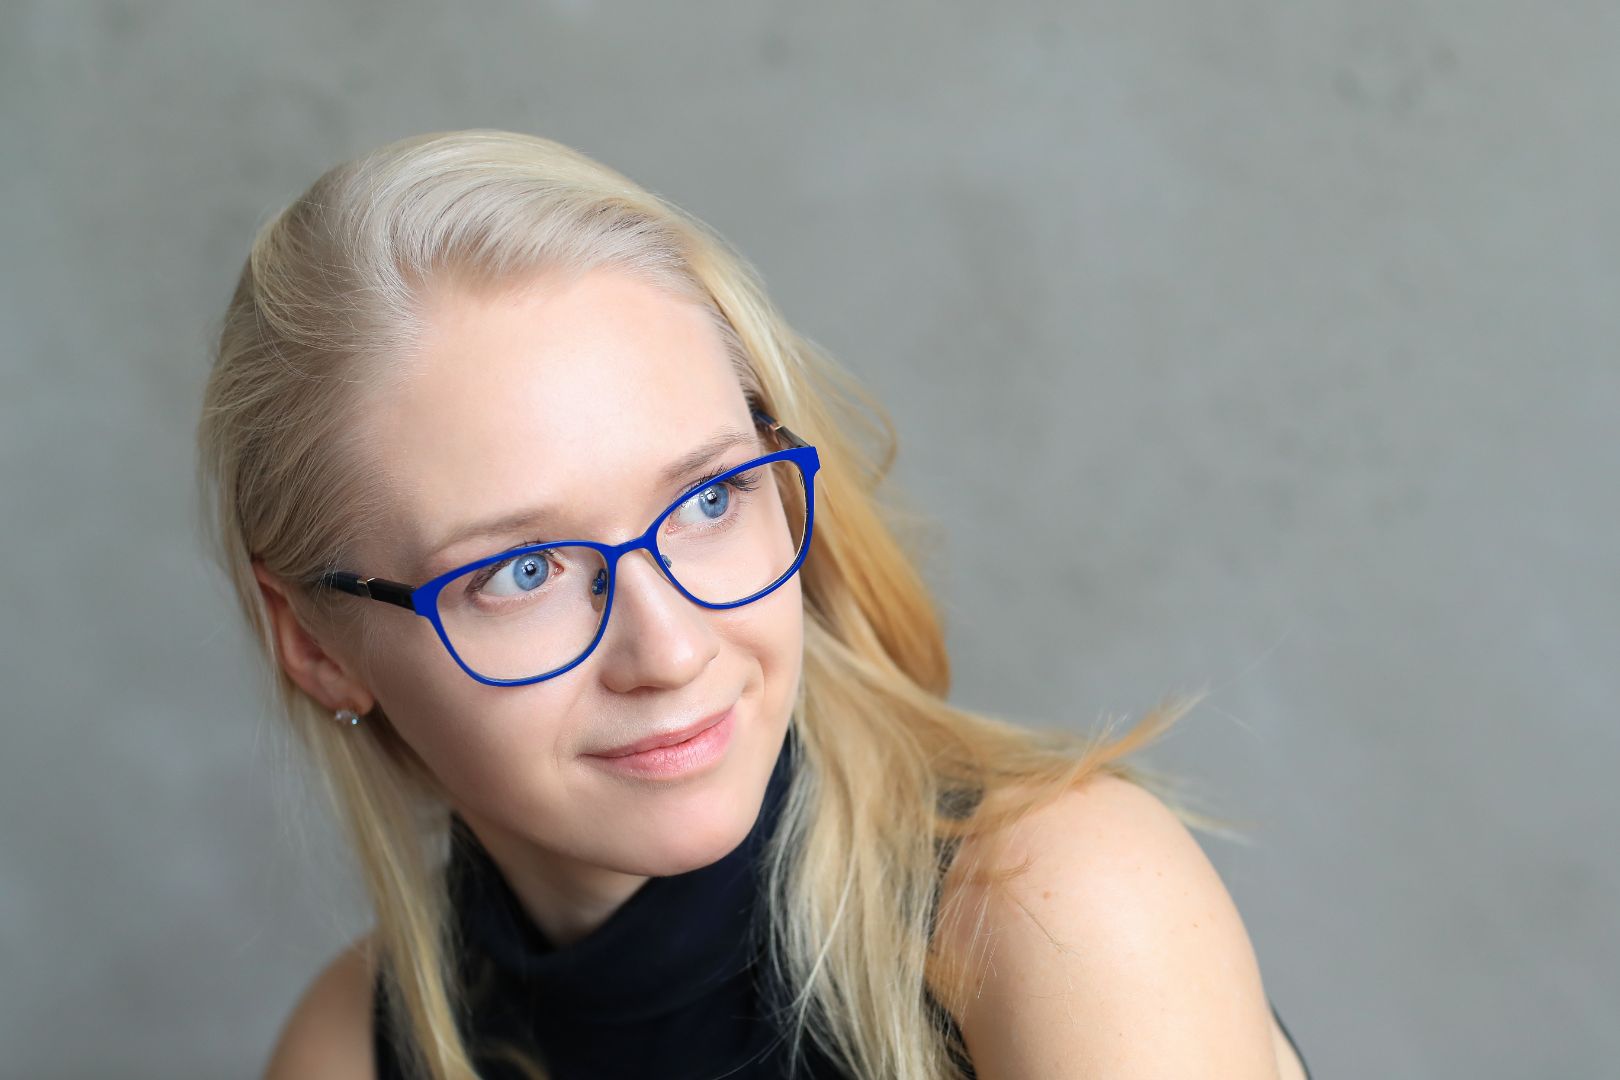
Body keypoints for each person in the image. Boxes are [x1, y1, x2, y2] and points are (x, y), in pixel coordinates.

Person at [196, 129, 1311, 1080]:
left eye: (708, 499)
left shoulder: (1059, 905)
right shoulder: (347, 1051)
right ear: (316, 645)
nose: (671, 650)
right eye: (522, 571)